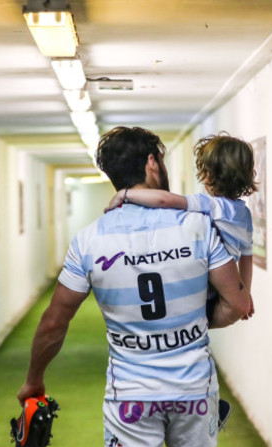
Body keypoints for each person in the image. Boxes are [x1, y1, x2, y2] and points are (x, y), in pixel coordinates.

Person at [17, 126, 251, 447]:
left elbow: (53, 322)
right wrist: (195, 323)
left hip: (131, 396)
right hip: (193, 389)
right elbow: (237, 305)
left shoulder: (89, 239)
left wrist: (34, 379)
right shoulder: (199, 226)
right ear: (152, 163)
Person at [106, 132, 258, 321]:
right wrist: (246, 292)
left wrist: (125, 195)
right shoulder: (244, 214)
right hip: (223, 287)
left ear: (210, 175)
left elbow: (164, 199)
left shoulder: (210, 205)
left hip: (206, 284)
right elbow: (246, 257)